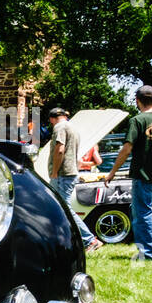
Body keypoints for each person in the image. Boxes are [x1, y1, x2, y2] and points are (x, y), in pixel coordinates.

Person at [106, 85, 152, 263]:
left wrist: (112, 173)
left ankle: (150, 255)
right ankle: (148, 251)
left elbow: (126, 149)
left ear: (137, 100)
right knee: (146, 211)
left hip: (144, 174)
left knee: (143, 214)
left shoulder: (137, 120)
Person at [47, 106, 101, 250]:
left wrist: (54, 172)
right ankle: (65, 239)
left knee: (64, 208)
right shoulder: (73, 127)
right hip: (70, 173)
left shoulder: (59, 127)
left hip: (62, 174)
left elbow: (59, 150)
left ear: (52, 119)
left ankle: (89, 240)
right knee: (62, 207)